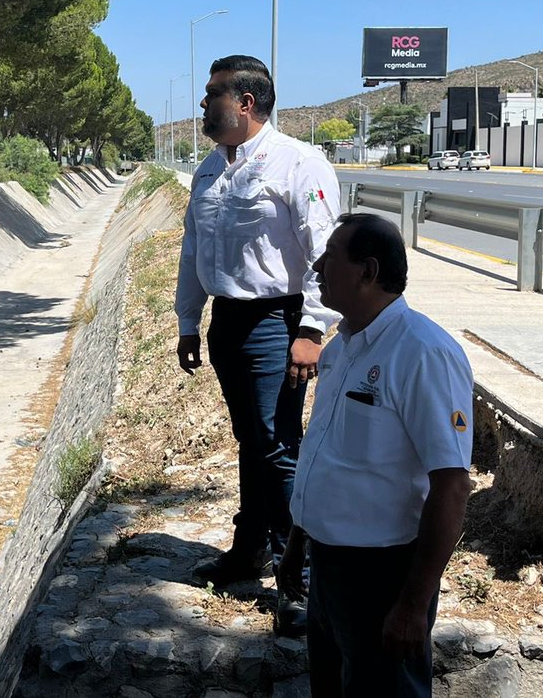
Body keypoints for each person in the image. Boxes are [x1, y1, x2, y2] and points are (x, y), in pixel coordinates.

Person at [175, 54, 340, 635]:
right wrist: (189, 322)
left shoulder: (299, 163)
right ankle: (251, 551)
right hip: (228, 321)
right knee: (253, 439)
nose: (203, 103)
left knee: (279, 446)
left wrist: (311, 330)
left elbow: (325, 253)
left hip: (278, 321)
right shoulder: (209, 170)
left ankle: (305, 581)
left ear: (246, 103)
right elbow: (194, 252)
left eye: (213, 93)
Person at [278, 213, 473, 697]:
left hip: (384, 576)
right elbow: (325, 457)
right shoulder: (341, 348)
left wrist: (411, 605)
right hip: (327, 567)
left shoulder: (423, 353)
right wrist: (297, 547)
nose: (318, 266)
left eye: (330, 256)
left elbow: (451, 488)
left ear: (366, 270)